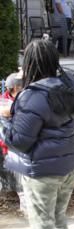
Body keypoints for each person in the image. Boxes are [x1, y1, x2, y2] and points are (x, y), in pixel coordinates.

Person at [0, 39, 74, 229]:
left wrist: (5, 118)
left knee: (43, 224)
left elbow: (19, 142)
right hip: (69, 165)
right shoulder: (68, 87)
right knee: (58, 218)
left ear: (29, 64)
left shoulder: (32, 96)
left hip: (43, 171)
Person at [0, 72, 24, 209]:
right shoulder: (4, 101)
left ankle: (23, 203)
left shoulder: (23, 100)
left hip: (17, 146)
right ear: (15, 88)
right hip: (7, 146)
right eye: (21, 86)